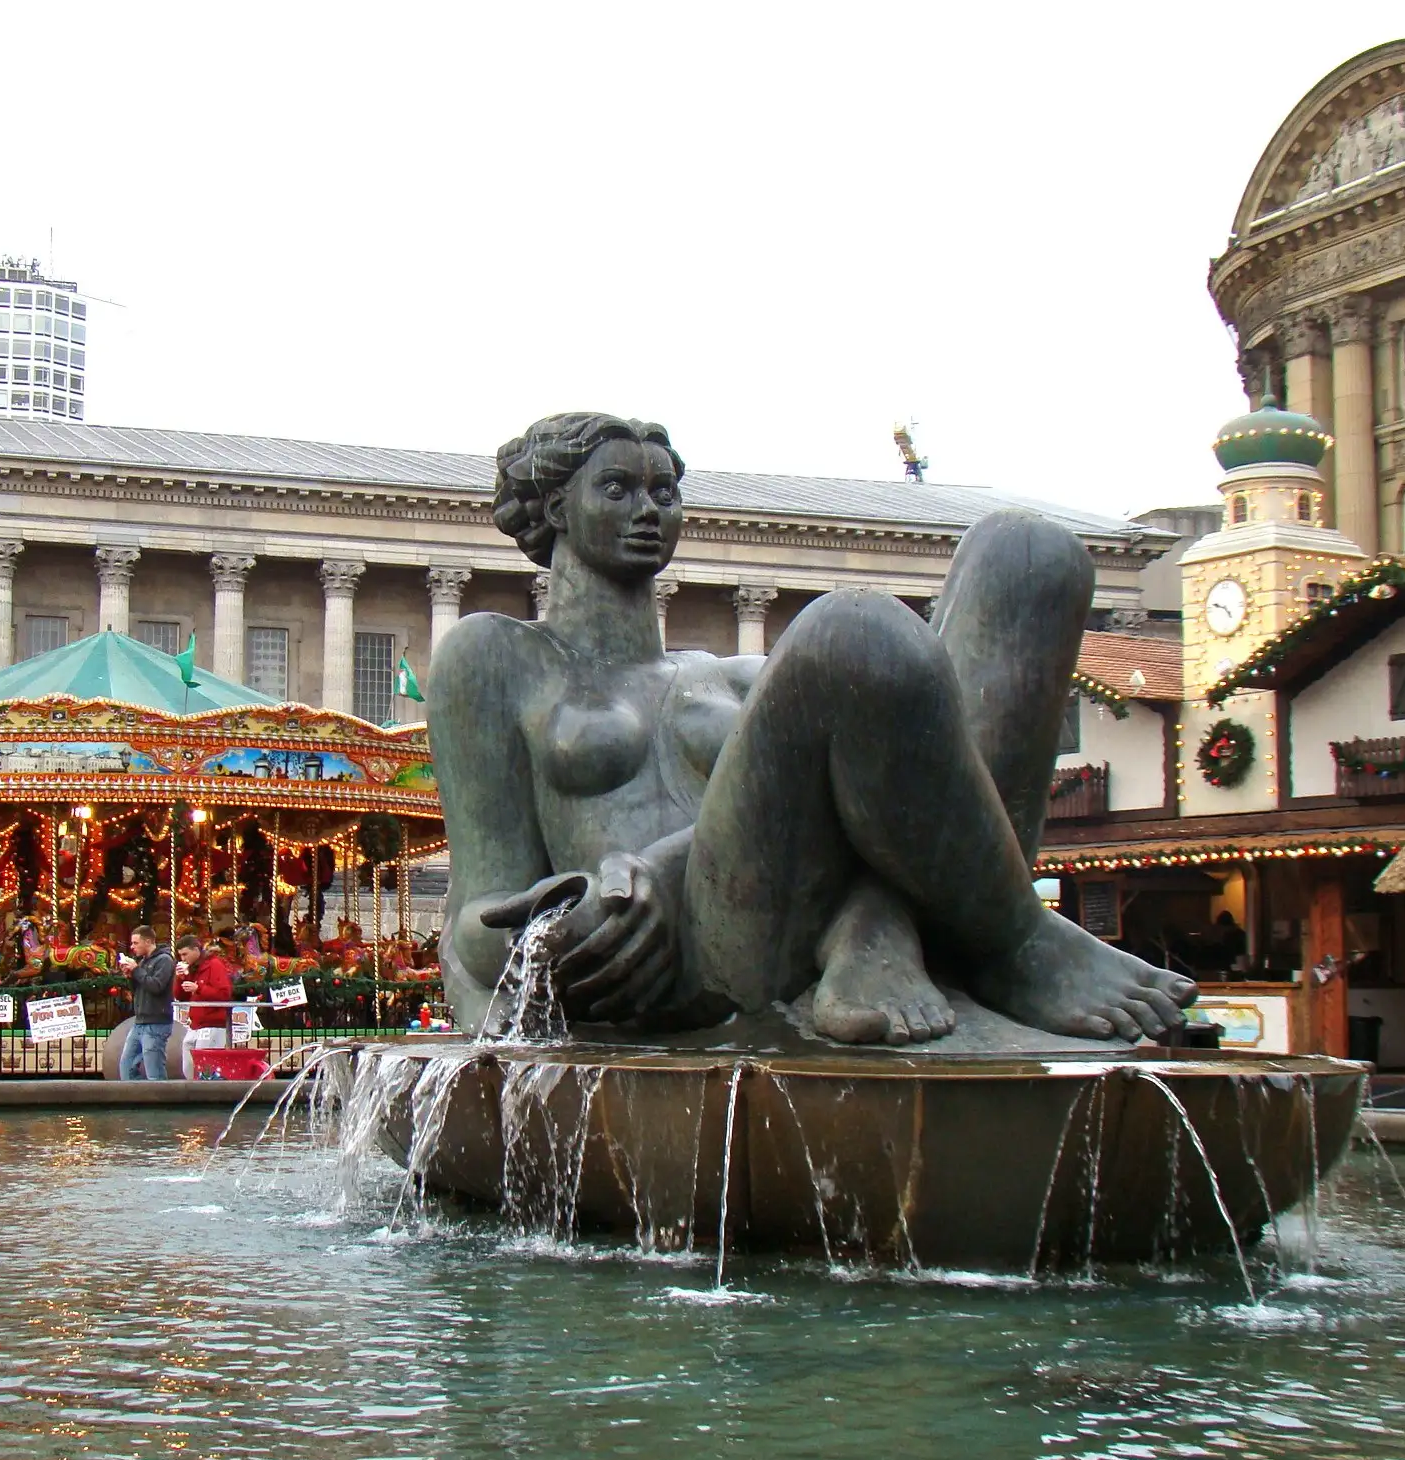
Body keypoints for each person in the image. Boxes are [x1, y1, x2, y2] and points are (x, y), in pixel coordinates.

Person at [429, 412, 1196, 1045]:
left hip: (795, 906)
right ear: (556, 509)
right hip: (679, 957)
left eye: (664, 490)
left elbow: (870, 814)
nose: (650, 509)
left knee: (1031, 557)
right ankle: (1009, 943)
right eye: (619, 489)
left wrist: (664, 862)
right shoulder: (497, 657)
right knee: (852, 635)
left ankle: (879, 933)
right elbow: (477, 920)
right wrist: (569, 928)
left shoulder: (735, 676)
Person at [116, 925, 178, 1080]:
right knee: (126, 1065)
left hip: (156, 1022)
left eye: (136, 943)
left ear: (148, 941)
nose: (132, 947)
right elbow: (139, 989)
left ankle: (159, 1101)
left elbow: (156, 986)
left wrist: (136, 970)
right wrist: (130, 976)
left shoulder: (164, 960)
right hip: (139, 1022)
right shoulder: (143, 961)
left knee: (154, 1071)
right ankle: (136, 1099)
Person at [176, 932, 236, 1030]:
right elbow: (181, 997)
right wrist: (180, 979)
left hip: (213, 1024)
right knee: (187, 1045)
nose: (183, 958)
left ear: (195, 950)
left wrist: (198, 988)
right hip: (195, 1024)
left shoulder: (214, 964)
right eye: (180, 955)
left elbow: (224, 995)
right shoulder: (193, 968)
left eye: (185, 954)